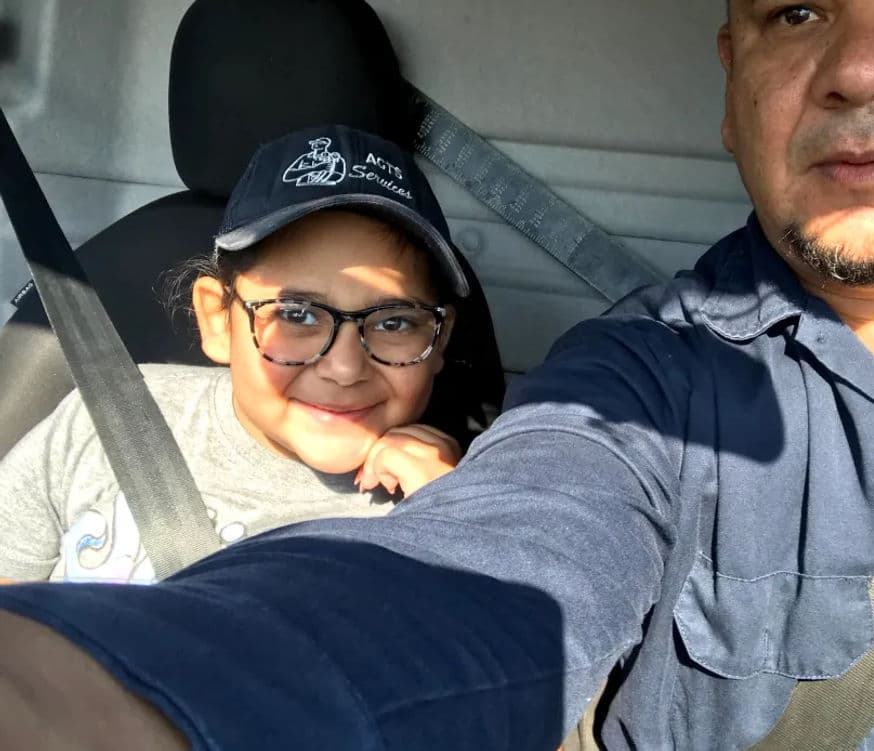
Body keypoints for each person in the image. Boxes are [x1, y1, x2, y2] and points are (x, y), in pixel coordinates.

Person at [1, 0, 874, 748]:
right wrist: (86, 701)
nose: (859, 68)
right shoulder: (632, 381)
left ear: (441, 337)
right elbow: (496, 566)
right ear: (735, 86)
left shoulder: (428, 465)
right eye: (796, 11)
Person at [0, 123, 500, 584]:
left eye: (394, 323)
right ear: (218, 320)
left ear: (440, 340)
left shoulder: (440, 503)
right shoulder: (111, 416)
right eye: (297, 315)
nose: (346, 369)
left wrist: (454, 524)